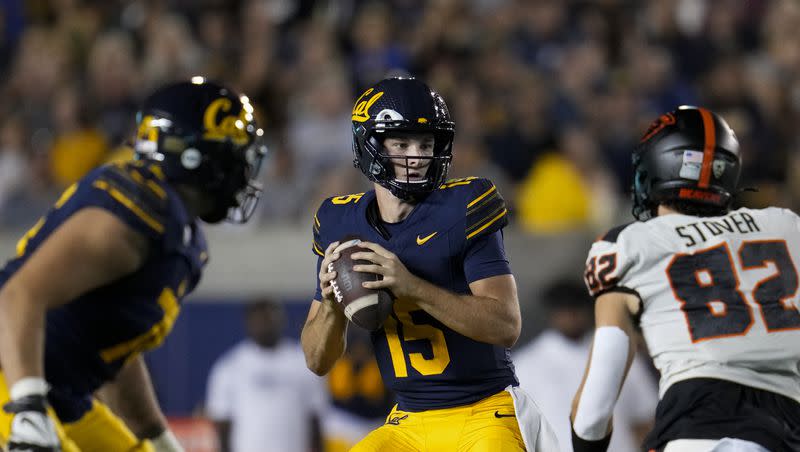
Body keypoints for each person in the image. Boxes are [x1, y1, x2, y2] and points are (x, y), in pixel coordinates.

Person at [0, 78, 267, 452]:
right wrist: (27, 407)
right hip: (15, 375)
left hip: (61, 393)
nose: (243, 172)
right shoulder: (136, 212)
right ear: (194, 155)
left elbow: (112, 349)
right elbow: (17, 296)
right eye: (235, 156)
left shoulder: (180, 236)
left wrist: (159, 439)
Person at [300, 76, 558, 451]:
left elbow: (506, 324)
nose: (418, 156)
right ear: (370, 145)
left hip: (484, 410)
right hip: (408, 421)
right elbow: (316, 361)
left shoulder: (465, 206)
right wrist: (329, 304)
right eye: (401, 142)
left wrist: (412, 287)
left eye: (425, 143)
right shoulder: (340, 222)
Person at [570, 106, 800, 452]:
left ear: (654, 169)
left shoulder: (629, 243)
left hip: (701, 430)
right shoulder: (786, 226)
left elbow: (592, 413)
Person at [513, 280, 657, 452]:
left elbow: (644, 419)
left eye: (576, 308)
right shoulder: (525, 365)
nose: (570, 316)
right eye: (563, 310)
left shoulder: (619, 351)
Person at [205, 298, 326, 452]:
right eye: (260, 320)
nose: (266, 324)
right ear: (248, 323)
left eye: (271, 318)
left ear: (282, 320)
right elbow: (222, 424)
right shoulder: (229, 367)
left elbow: (315, 419)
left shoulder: (304, 363)